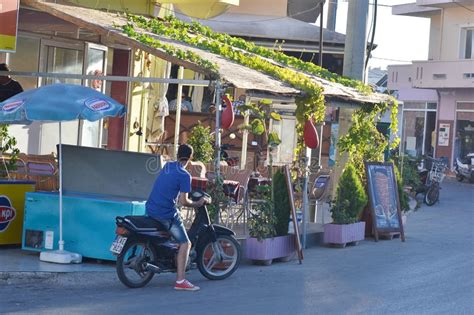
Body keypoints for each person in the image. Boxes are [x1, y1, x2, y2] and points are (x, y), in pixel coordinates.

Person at [145, 144, 206, 291]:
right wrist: (198, 203)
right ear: (190, 158)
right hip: (165, 214)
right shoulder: (185, 175)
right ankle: (180, 280)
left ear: (177, 154)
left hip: (150, 208)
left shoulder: (167, 166)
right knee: (186, 243)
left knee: (176, 225)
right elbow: (183, 201)